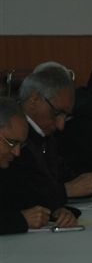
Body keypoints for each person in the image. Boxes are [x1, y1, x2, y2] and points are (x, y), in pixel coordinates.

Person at [0, 68, 92, 216]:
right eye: (57, 113)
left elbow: (65, 178)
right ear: (34, 100)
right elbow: (17, 195)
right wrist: (66, 191)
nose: (61, 125)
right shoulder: (11, 139)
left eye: (66, 116)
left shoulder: (45, 136)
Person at [0, 97, 75, 233]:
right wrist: (20, 220)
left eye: (21, 145)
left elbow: (23, 198)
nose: (17, 153)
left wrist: (54, 212)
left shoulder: (6, 169)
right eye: (11, 142)